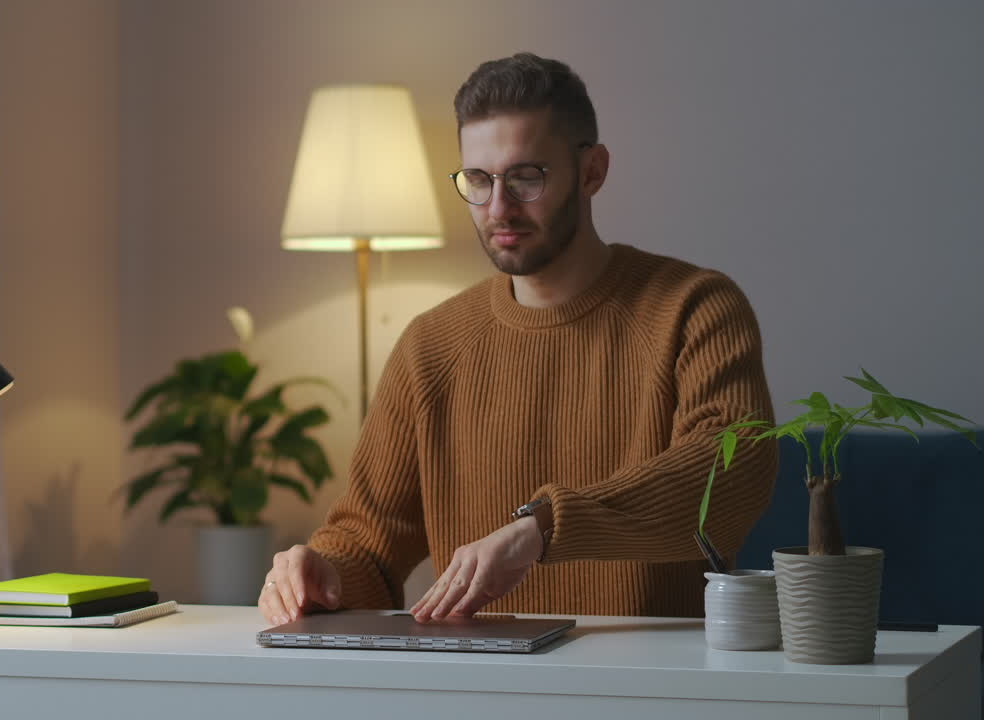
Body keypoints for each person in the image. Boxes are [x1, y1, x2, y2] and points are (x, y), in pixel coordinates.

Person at [259, 53, 777, 626]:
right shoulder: (430, 346)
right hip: (479, 691)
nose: (498, 208)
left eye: (526, 178)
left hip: (653, 684)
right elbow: (369, 542)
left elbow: (732, 477)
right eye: (478, 181)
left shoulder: (694, 307)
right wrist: (321, 574)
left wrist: (544, 528)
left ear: (592, 171)